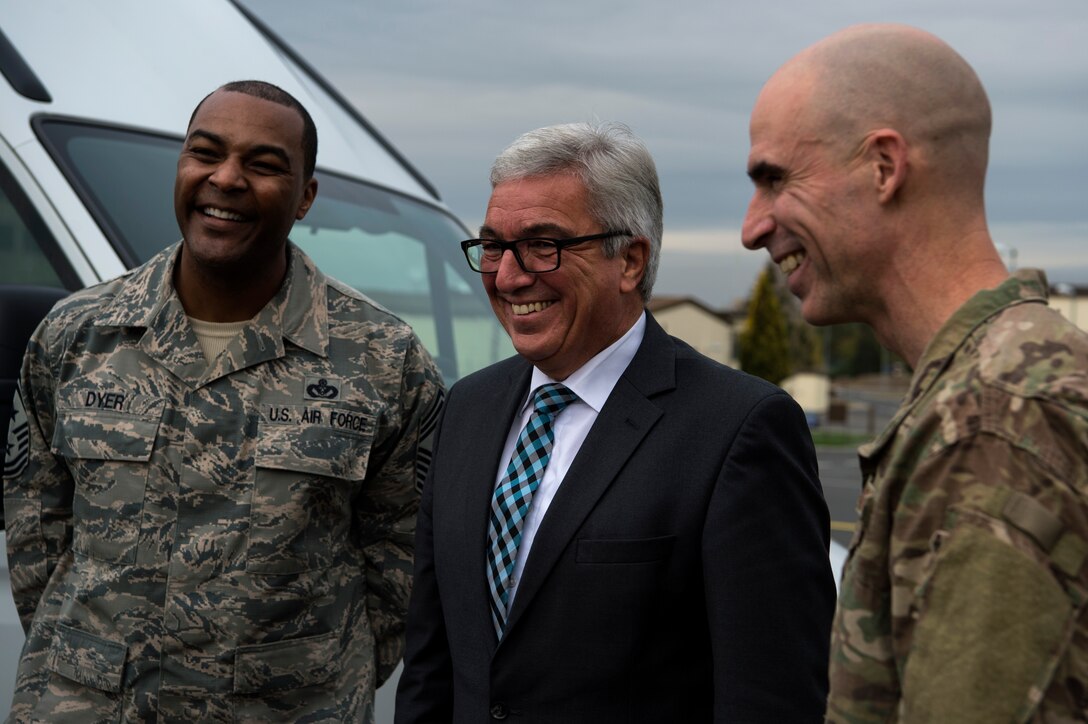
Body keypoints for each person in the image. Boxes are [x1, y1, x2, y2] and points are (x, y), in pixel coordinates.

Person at [2, 80, 443, 722]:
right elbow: (34, 533)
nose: (226, 178)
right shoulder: (76, 335)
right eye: (205, 153)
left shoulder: (383, 358)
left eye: (263, 165)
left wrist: (304, 681)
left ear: (305, 196)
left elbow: (403, 559)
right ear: (181, 166)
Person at [395, 121, 835, 723]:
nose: (508, 276)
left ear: (630, 260)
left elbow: (772, 696)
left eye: (543, 245)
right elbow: (432, 662)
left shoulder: (740, 429)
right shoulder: (467, 408)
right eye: (493, 246)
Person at [742, 24, 1088, 722]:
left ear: (884, 167)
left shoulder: (991, 422)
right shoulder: (988, 389)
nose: (753, 228)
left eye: (775, 179)